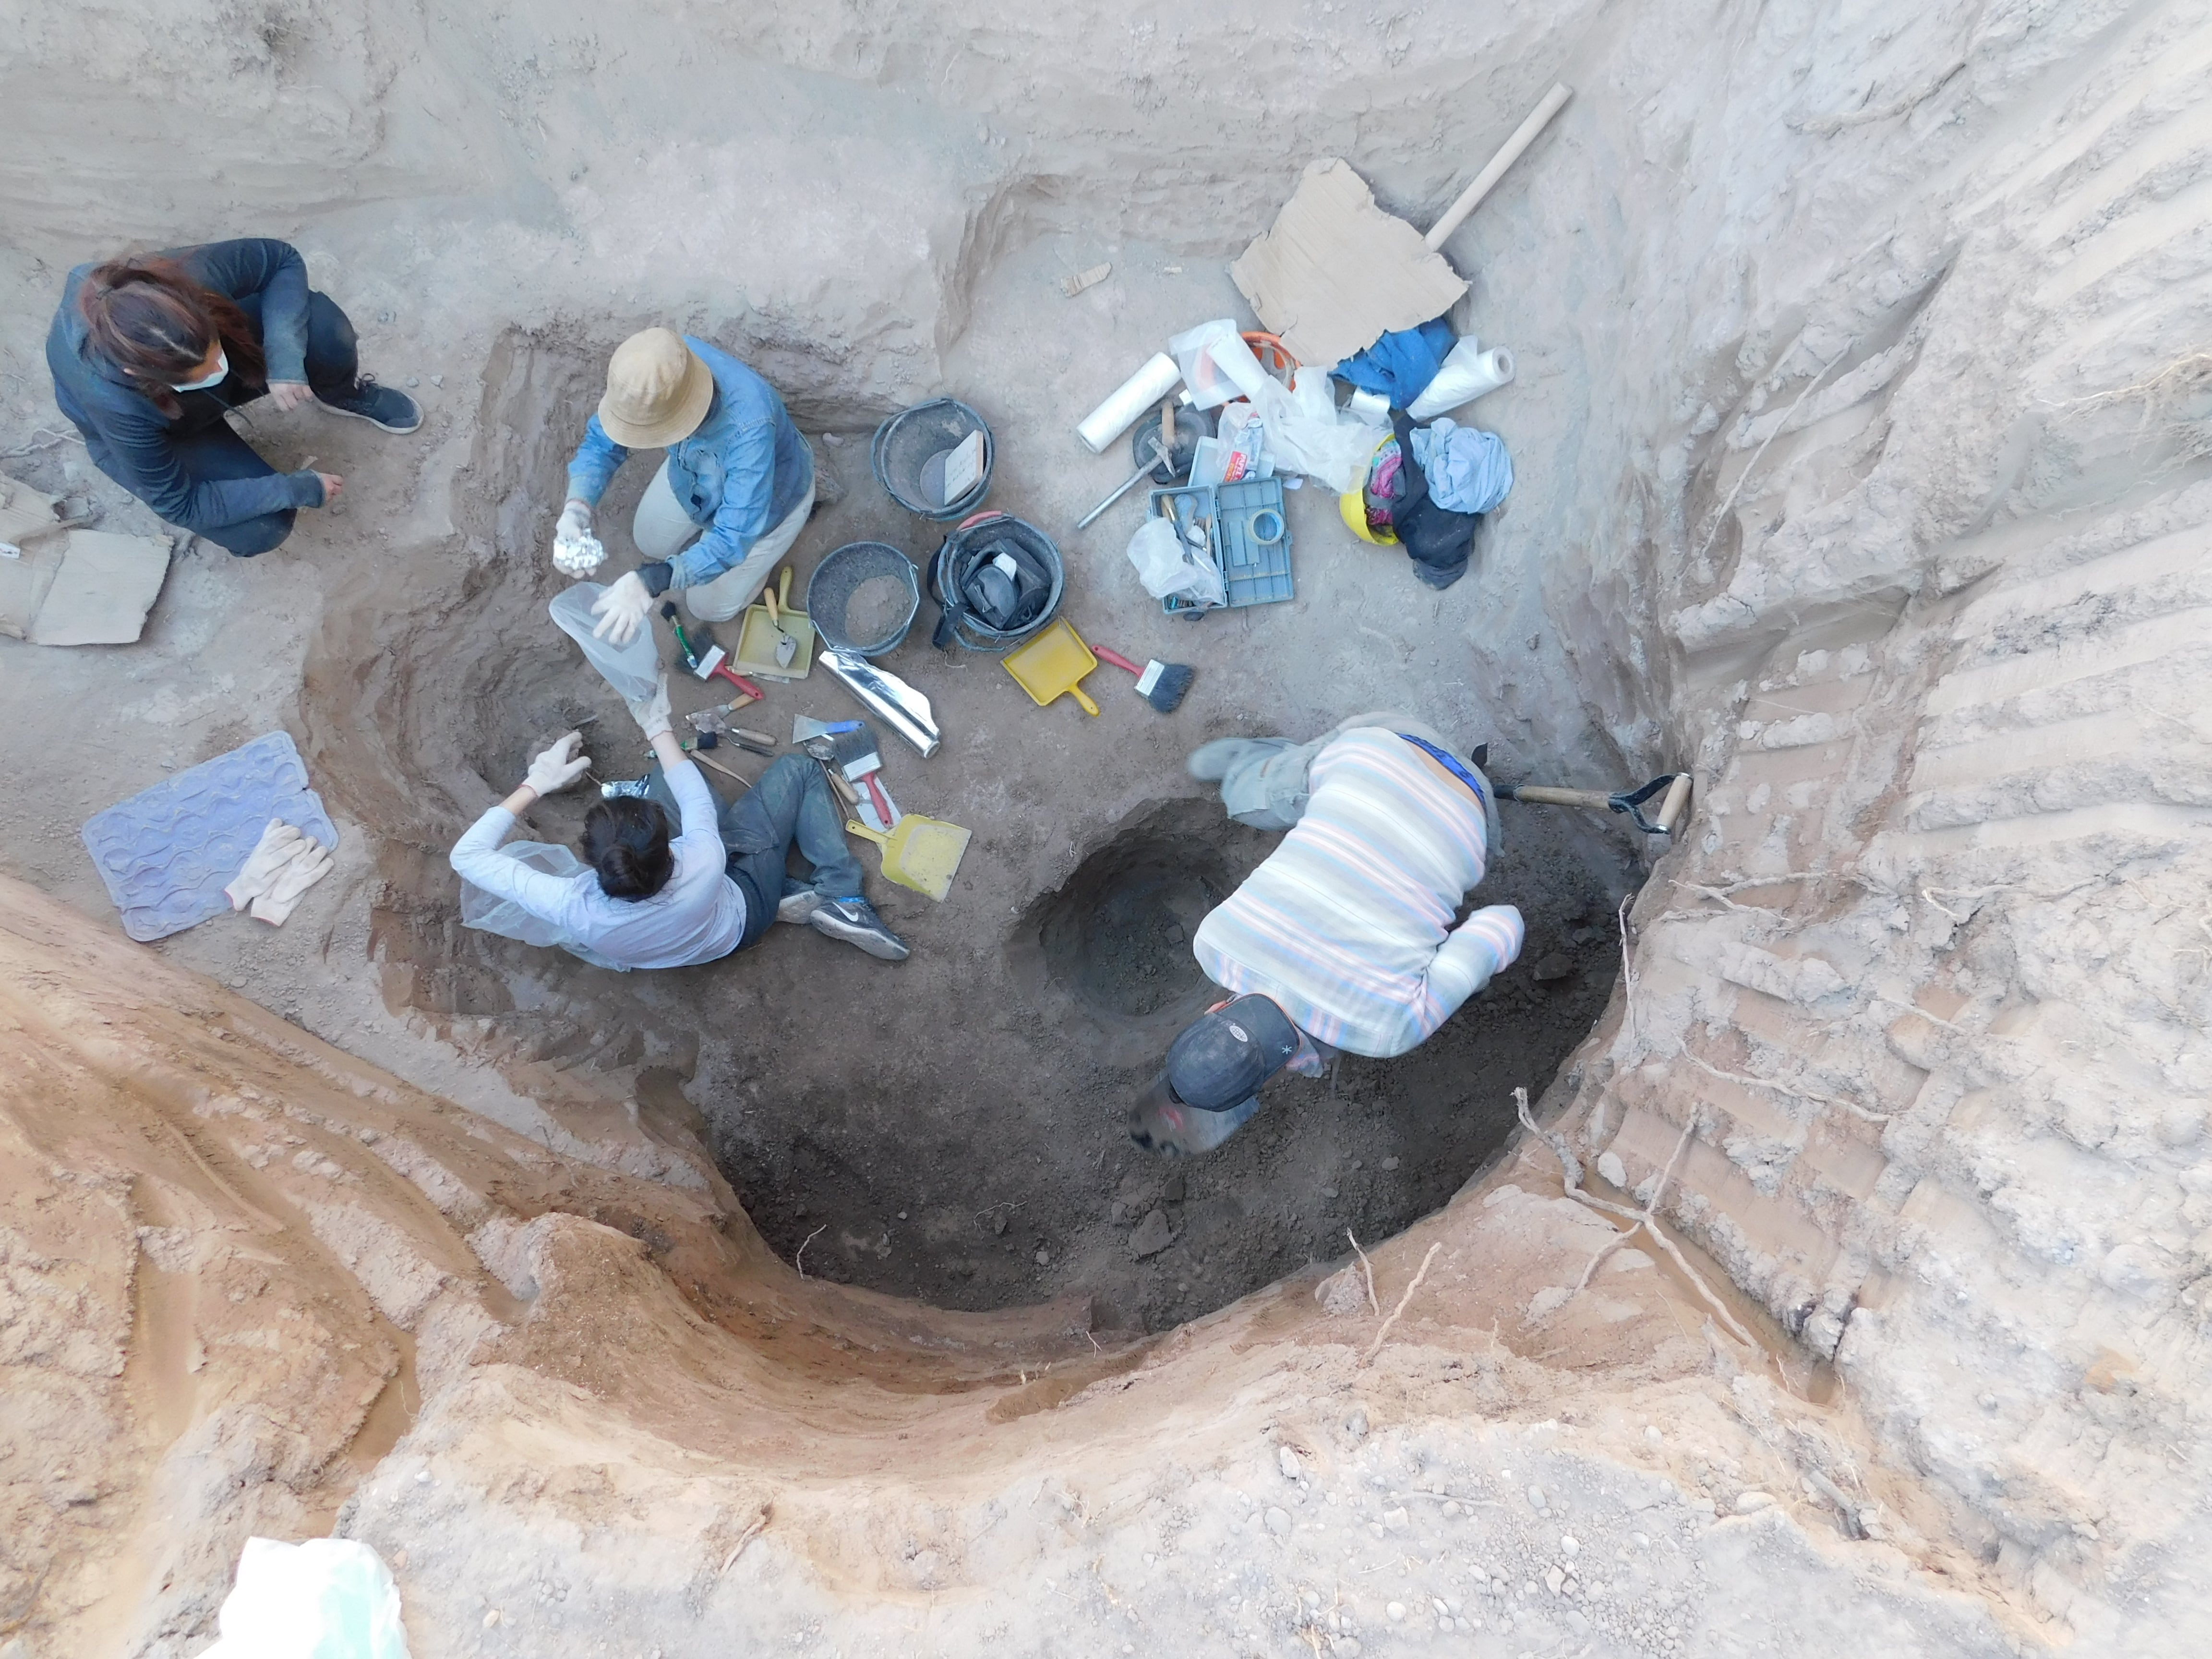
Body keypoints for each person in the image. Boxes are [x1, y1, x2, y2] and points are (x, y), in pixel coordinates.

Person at [1129, 712, 1525, 1156]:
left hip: (1472, 814)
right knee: (1254, 797)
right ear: (1215, 1008)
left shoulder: (1386, 1030)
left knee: (1469, 970)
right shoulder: (1214, 942)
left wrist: (1459, 980)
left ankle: (1255, 758)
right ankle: (1254, 770)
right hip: (1376, 750)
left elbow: (1504, 921)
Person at [448, 677, 907, 971]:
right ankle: (844, 898)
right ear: (670, 843)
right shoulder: (705, 856)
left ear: (596, 862)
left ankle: (787, 892)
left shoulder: (572, 906)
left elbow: (466, 857)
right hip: (741, 911)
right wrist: (653, 722)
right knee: (798, 771)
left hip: (691, 943)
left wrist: (537, 783)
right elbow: (686, 782)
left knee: (658, 781)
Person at [46, 239, 421, 557]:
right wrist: (294, 488)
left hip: (190, 373)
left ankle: (341, 393)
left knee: (322, 328)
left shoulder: (184, 280)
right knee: (258, 529)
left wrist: (285, 357)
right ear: (138, 375)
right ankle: (212, 437)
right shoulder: (114, 402)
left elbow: (281, 259)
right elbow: (181, 503)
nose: (217, 370)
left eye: (214, 354)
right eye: (202, 373)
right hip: (171, 429)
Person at [557, 327, 832, 646]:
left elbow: (732, 539)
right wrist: (576, 509)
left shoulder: (750, 426)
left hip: (770, 502)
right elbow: (602, 441)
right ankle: (704, 555)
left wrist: (652, 580)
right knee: (648, 540)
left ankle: (757, 572)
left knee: (707, 607)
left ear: (682, 419)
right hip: (695, 476)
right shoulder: (657, 367)